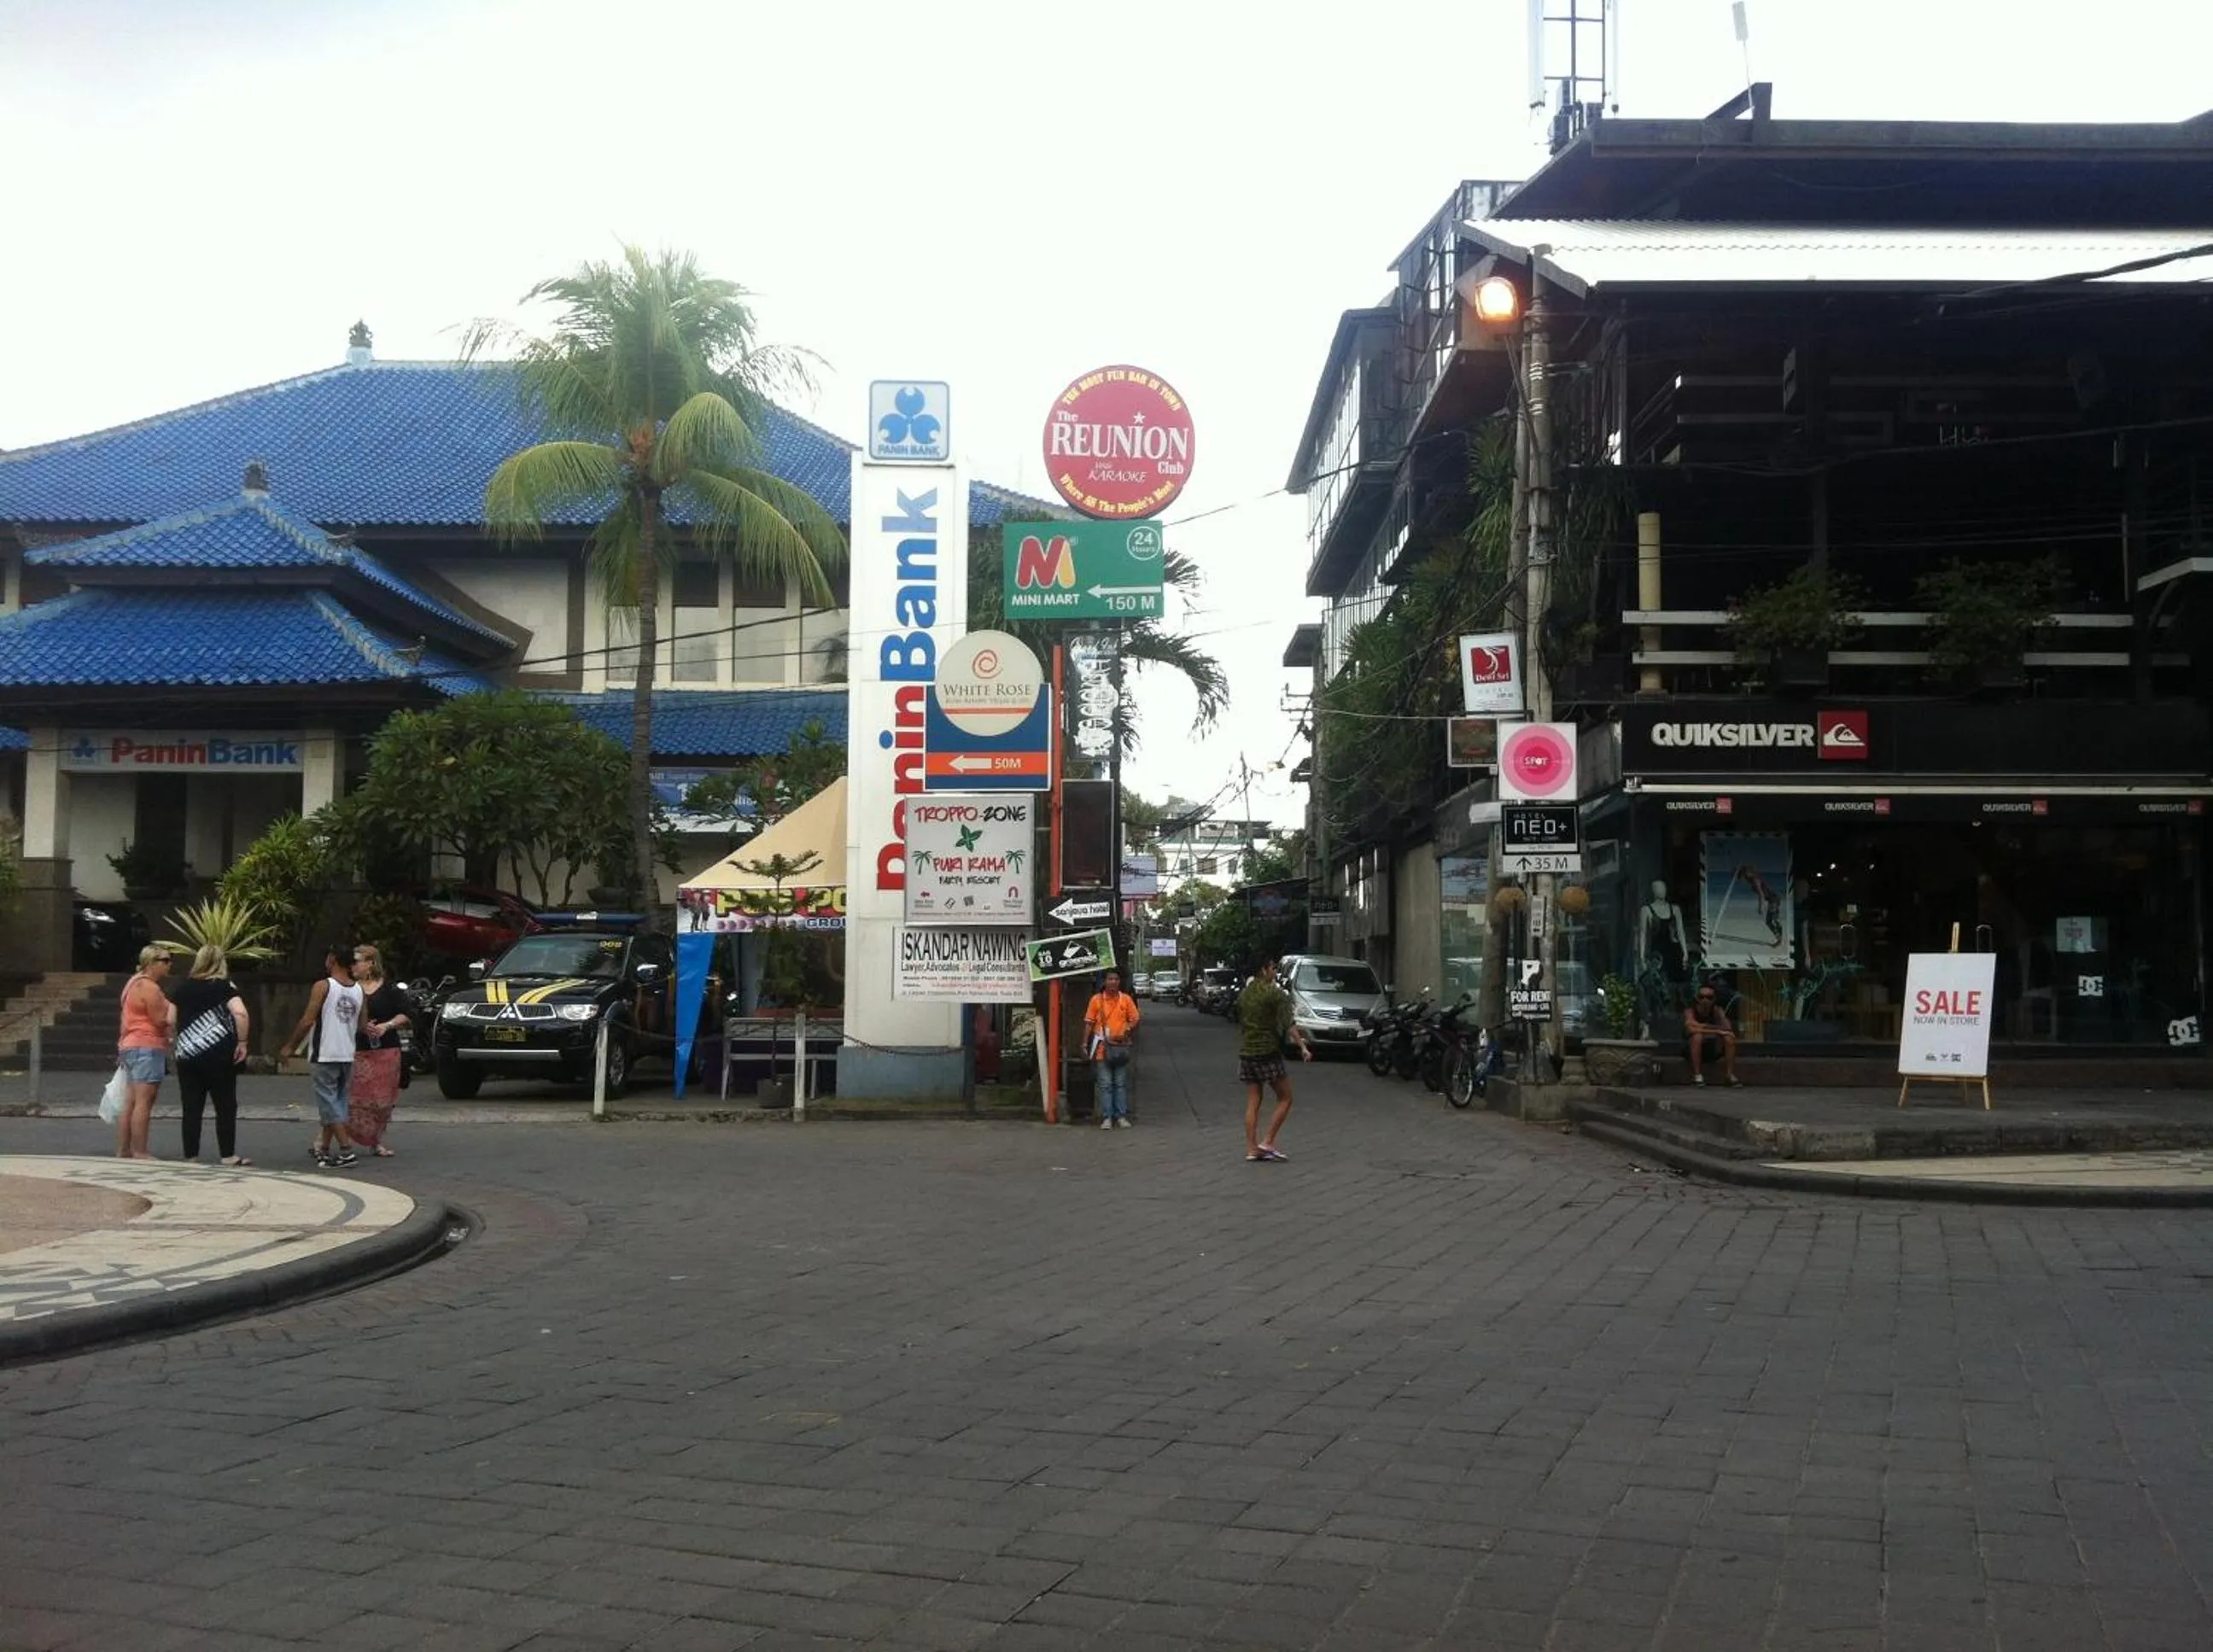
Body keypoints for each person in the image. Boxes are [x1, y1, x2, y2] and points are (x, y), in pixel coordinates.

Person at [172, 944, 252, 1165]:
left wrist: (176, 1041)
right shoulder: (225, 986)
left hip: (188, 1054)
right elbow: (240, 1013)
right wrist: (243, 1042)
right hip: (219, 1055)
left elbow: (170, 1018)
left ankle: (191, 1155)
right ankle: (227, 1154)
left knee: (191, 1106)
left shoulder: (182, 987)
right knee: (225, 1105)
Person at [287, 943, 365, 1168]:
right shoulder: (359, 990)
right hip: (347, 1052)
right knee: (338, 1101)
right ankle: (324, 1148)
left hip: (325, 1052)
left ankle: (346, 1150)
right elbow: (361, 1025)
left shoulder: (323, 986)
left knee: (328, 1103)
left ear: (332, 960)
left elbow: (308, 1020)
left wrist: (290, 1046)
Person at [1236, 957, 1311, 1163]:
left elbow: (1241, 1021)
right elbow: (1289, 1023)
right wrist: (1303, 1047)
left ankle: (1252, 1148)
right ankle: (1268, 1141)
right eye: (1273, 968)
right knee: (1286, 1097)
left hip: (1247, 1052)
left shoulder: (1245, 995)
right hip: (1267, 1051)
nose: (1275, 972)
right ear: (1264, 969)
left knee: (1253, 1101)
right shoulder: (1275, 994)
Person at [114, 945, 175, 1159]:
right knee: (144, 1100)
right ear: (151, 963)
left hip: (130, 1045)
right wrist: (172, 1012)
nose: (169, 964)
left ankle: (124, 1148)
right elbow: (160, 1020)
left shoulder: (132, 983)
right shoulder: (150, 988)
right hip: (147, 1045)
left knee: (130, 1100)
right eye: (165, 960)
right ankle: (140, 1150)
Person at [350, 945, 409, 1158]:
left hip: (386, 1049)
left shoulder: (390, 989)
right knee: (351, 1097)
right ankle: (333, 1137)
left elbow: (405, 1013)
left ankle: (376, 1140)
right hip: (357, 1049)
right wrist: (361, 1026)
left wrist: (387, 1025)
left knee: (382, 1100)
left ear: (371, 963)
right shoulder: (349, 989)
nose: (353, 965)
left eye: (357, 961)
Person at [1083, 970, 1142, 1129]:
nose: (1113, 982)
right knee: (1106, 1084)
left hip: (1120, 1048)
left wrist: (1127, 1029)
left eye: (1116, 979)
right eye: (1110, 979)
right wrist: (1084, 1044)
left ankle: (1121, 1116)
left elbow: (1135, 1018)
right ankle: (1107, 1117)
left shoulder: (1126, 1000)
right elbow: (1088, 1023)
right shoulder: (1096, 1000)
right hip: (1102, 1048)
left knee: (1120, 1083)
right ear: (1104, 982)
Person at [1684, 984, 1742, 1087]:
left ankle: (1729, 1075)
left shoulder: (1718, 1011)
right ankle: (1697, 1075)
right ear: (1697, 999)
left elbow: (1727, 1029)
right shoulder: (1690, 1011)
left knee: (1729, 1038)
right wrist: (1717, 1030)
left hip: (1714, 1048)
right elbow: (1691, 1028)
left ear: (1714, 999)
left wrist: (1703, 1027)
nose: (1705, 1001)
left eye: (1709, 998)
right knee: (1697, 1037)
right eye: (1702, 997)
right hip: (1692, 1050)